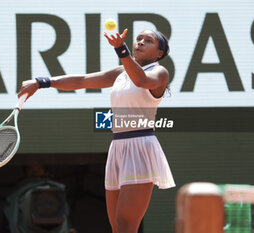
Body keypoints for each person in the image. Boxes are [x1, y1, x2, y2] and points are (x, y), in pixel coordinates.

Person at [18, 28, 175, 233]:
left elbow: (141, 81)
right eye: (138, 39)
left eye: (149, 41)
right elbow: (83, 80)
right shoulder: (122, 72)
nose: (141, 42)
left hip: (140, 147)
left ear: (159, 53)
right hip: (117, 147)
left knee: (127, 226)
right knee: (117, 227)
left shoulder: (159, 73)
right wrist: (42, 82)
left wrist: (121, 49)